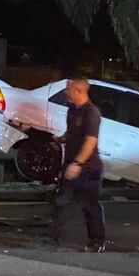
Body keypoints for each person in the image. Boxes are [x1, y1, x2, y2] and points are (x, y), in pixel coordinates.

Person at [48, 77, 106, 252]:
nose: (66, 92)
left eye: (69, 88)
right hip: (71, 165)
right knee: (61, 201)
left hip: (88, 168)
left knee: (89, 205)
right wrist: (61, 140)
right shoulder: (72, 110)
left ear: (79, 91)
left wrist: (78, 163)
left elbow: (90, 141)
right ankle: (54, 237)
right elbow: (72, 132)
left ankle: (97, 240)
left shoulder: (92, 112)